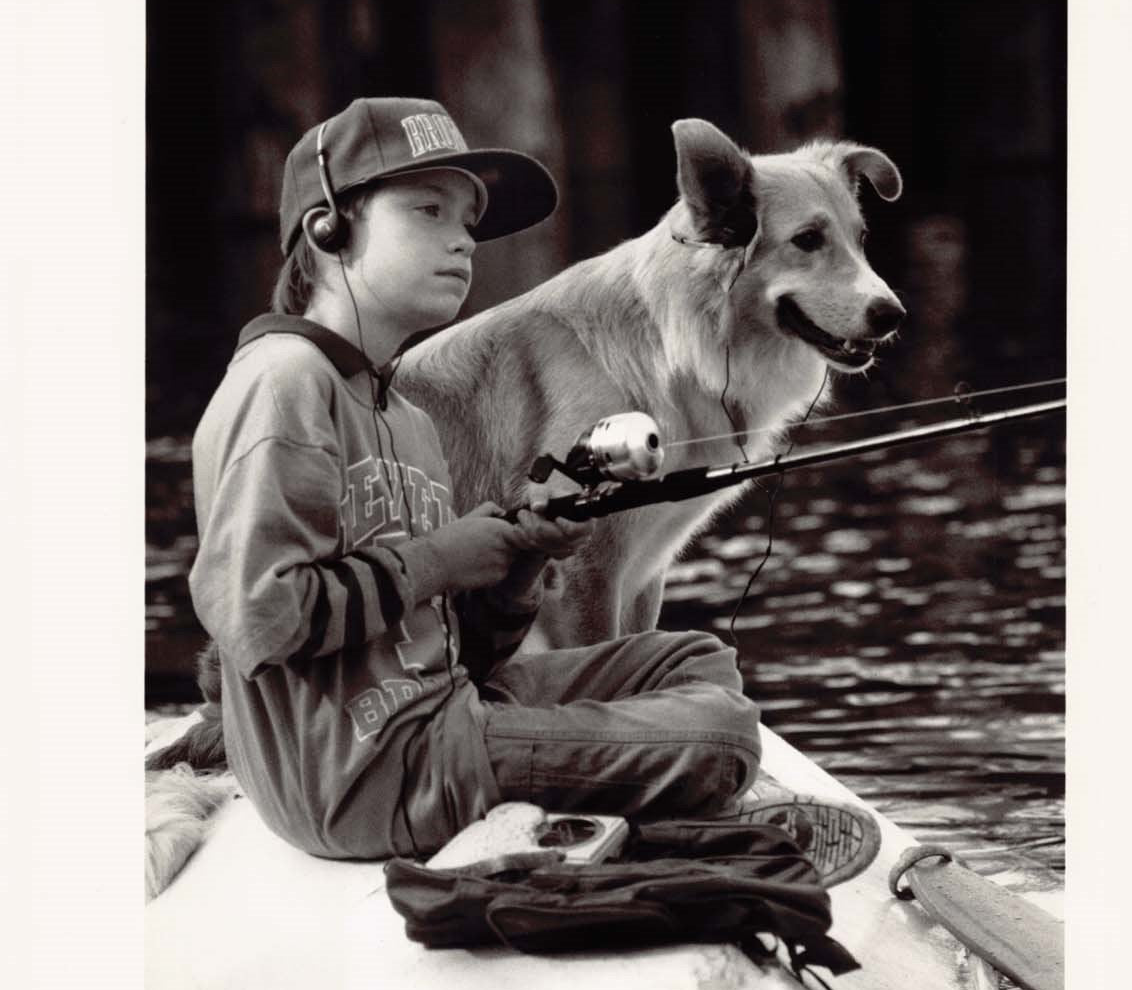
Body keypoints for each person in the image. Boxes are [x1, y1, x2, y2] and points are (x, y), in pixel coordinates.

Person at [188, 96, 878, 882]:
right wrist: (440, 560)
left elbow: (458, 647)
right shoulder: (281, 387)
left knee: (693, 659)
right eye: (429, 211)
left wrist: (521, 560)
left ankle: (624, 791)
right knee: (720, 736)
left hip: (442, 712)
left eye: (469, 220)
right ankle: (660, 824)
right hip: (359, 772)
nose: (462, 240)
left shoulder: (399, 411)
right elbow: (257, 621)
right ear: (328, 228)